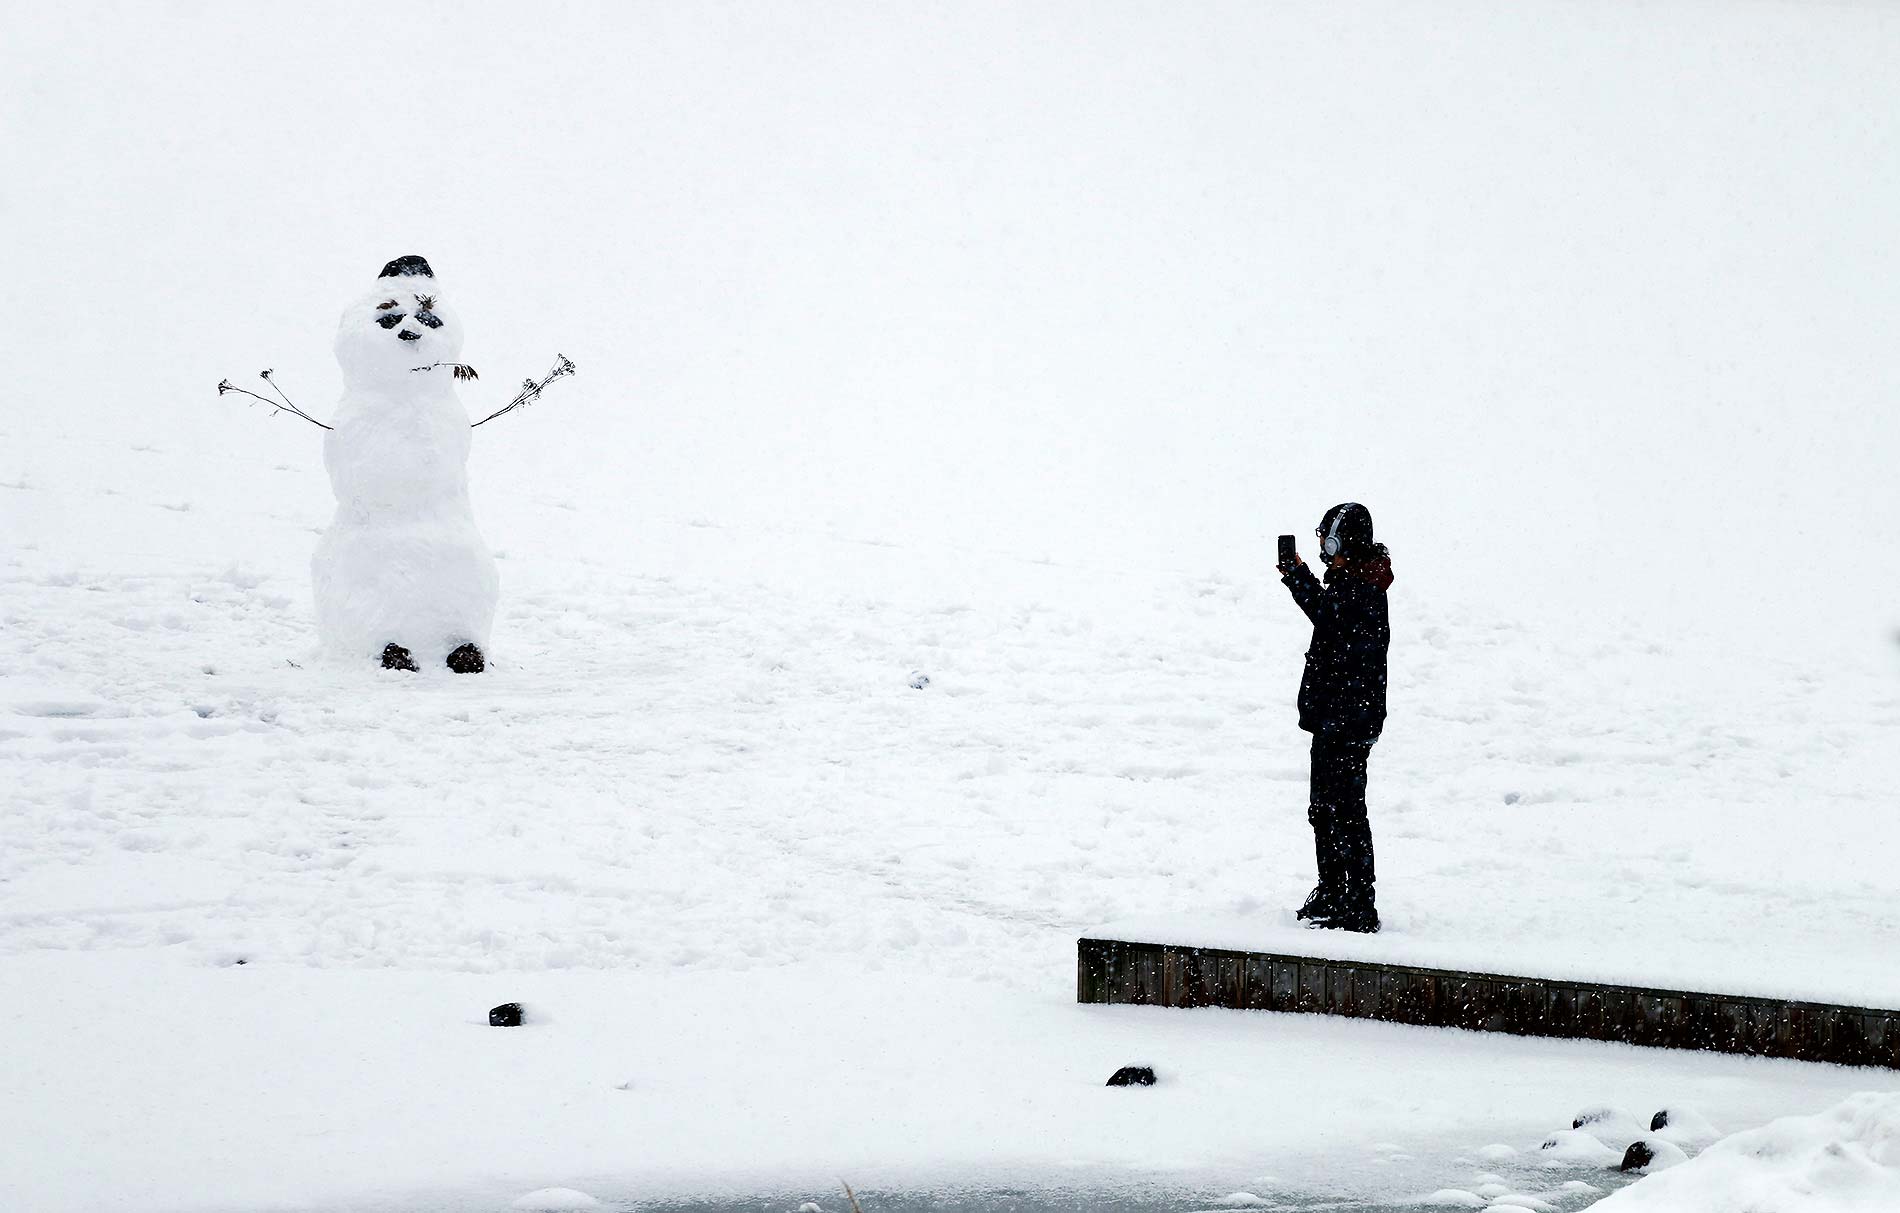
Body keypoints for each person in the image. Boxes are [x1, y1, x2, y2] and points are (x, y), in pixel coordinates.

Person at [1277, 502, 1393, 933]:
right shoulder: (1351, 583)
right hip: (1334, 718)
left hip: (1349, 721)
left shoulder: (1361, 589)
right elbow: (1328, 616)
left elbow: (1326, 617)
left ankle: (1358, 902)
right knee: (1323, 809)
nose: (1328, 552)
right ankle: (1332, 891)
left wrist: (1295, 576)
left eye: (1332, 542)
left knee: (1345, 811)